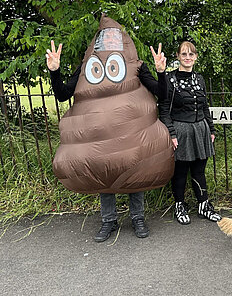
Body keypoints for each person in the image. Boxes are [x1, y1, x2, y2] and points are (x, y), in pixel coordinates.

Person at [46, 31, 168, 243]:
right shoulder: (86, 69)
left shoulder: (136, 67)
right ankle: (109, 220)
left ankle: (137, 217)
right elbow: (63, 94)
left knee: (136, 171)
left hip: (131, 133)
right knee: (103, 169)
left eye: (114, 41)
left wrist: (161, 73)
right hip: (101, 137)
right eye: (105, 43)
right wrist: (55, 72)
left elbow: (161, 92)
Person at [157, 41, 221, 225]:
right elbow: (164, 109)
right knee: (180, 172)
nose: (187, 58)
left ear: (196, 57)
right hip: (180, 130)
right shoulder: (169, 79)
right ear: (177, 57)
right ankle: (179, 205)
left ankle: (204, 205)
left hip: (200, 129)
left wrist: (211, 128)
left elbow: (205, 106)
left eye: (191, 54)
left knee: (199, 171)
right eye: (184, 54)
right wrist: (171, 133)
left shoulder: (199, 79)